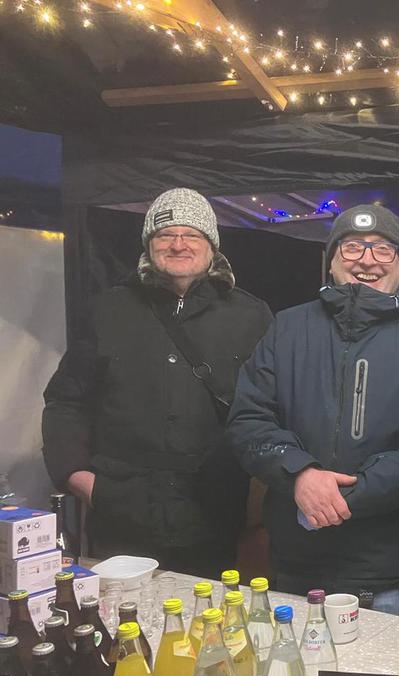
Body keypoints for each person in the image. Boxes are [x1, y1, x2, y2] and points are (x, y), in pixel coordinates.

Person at [227, 204, 399, 617]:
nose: (367, 260)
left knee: (383, 663)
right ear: (332, 262)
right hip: (298, 562)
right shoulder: (287, 328)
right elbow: (249, 420)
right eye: (352, 247)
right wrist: (299, 475)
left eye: (383, 249)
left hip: (389, 570)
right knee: (297, 660)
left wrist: (343, 497)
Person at [42, 188, 272, 576]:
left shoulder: (252, 316)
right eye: (165, 234)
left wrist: (256, 497)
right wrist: (79, 478)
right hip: (120, 510)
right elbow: (66, 400)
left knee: (209, 611)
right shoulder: (108, 309)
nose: (178, 244)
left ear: (212, 245)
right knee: (117, 611)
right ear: (149, 244)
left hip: (213, 512)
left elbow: (270, 407)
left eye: (191, 235)